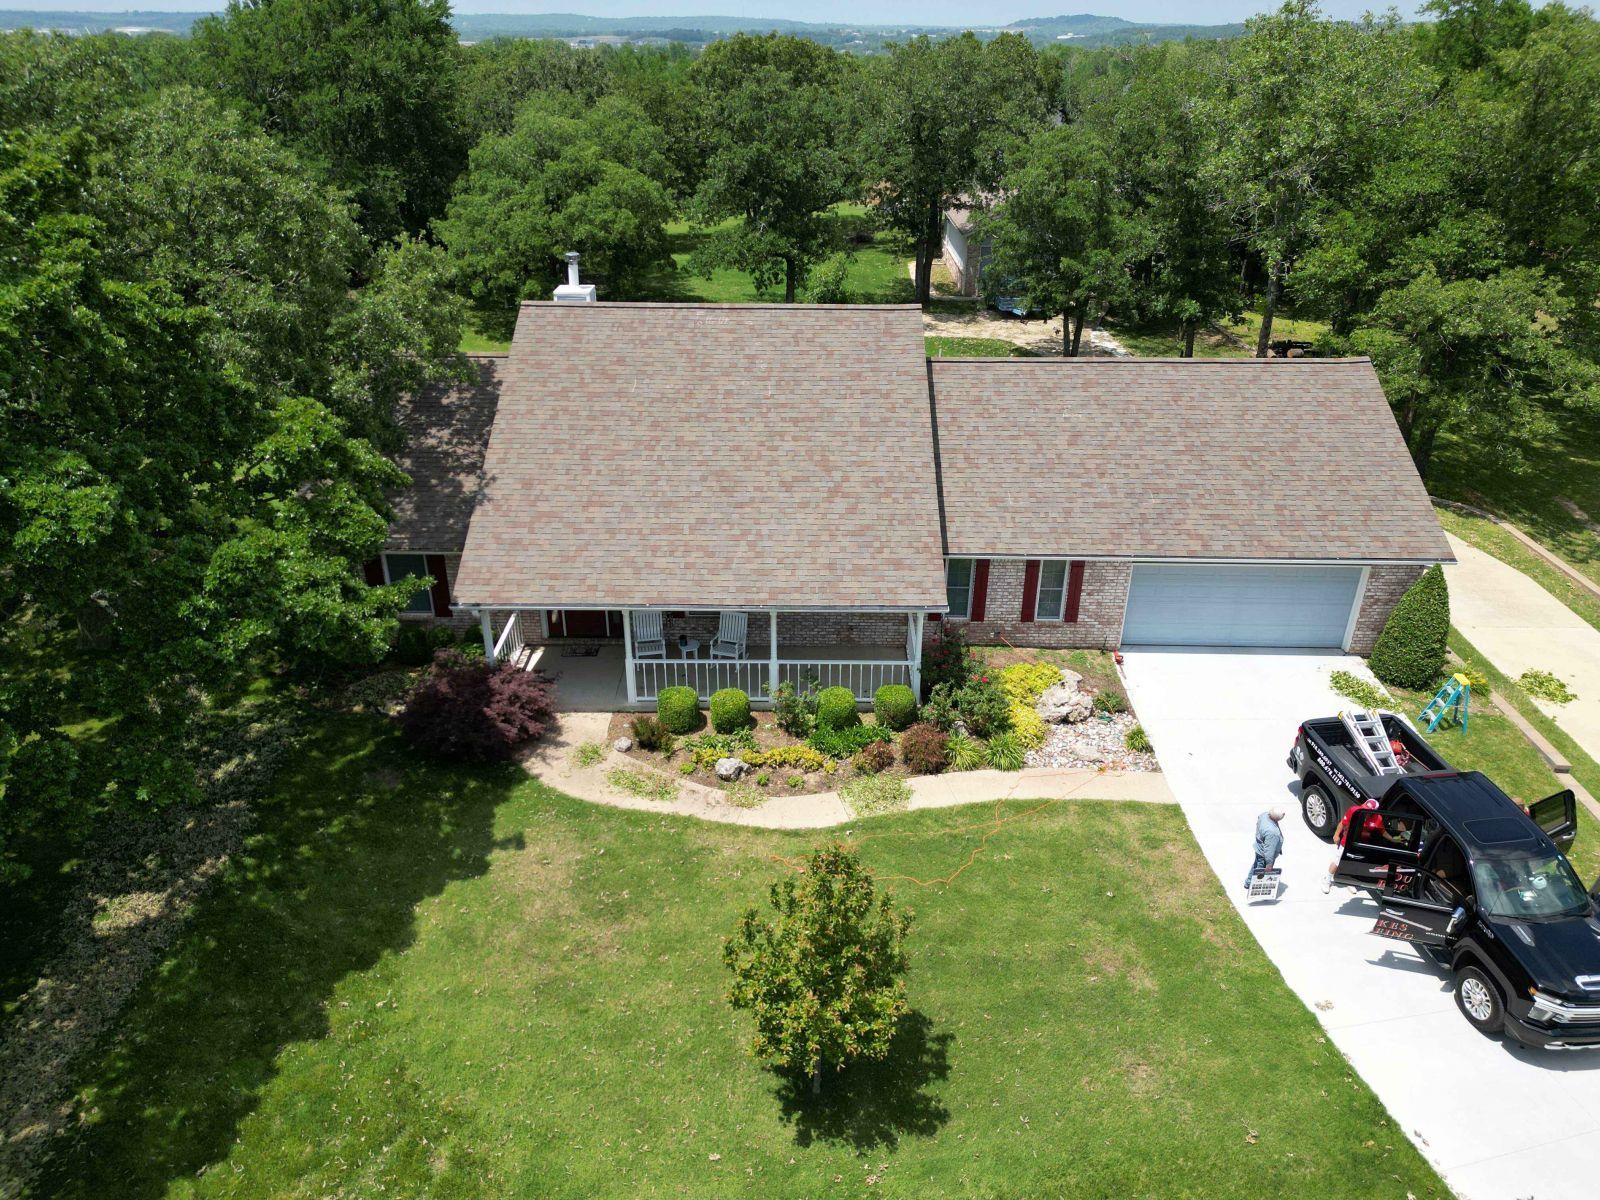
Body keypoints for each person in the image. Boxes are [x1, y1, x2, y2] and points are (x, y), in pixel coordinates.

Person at [1324, 797, 1380, 893]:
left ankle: (1349, 881)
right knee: (1338, 861)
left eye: (1368, 810)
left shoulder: (1378, 818)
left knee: (1353, 863)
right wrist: (1336, 834)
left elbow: (1381, 831)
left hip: (1360, 844)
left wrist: (1393, 839)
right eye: (1364, 807)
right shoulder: (1354, 810)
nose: (1364, 811)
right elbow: (1342, 823)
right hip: (1347, 841)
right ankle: (1327, 880)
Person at [1245, 808, 1286, 892]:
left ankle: (1248, 883)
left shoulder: (1265, 815)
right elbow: (1269, 850)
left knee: (1256, 866)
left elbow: (1259, 819)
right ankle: (1253, 886)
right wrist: (1269, 864)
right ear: (1277, 819)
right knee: (1260, 872)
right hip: (1264, 855)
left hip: (1258, 848)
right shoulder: (1272, 832)